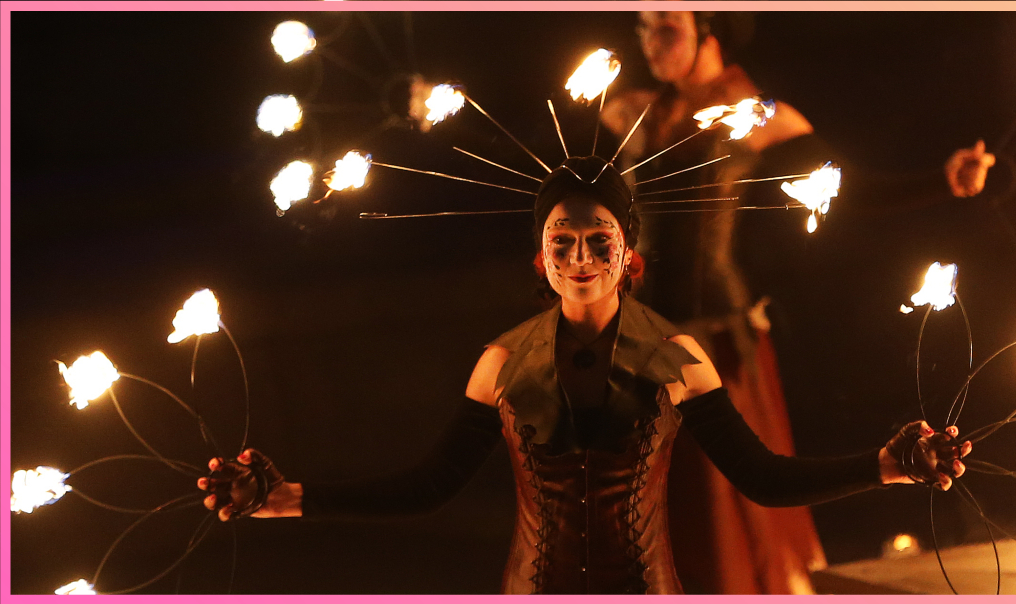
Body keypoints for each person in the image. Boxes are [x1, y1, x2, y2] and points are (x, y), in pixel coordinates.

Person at [198, 155, 972, 595]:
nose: (579, 260)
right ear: (539, 257)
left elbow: (763, 478)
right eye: (561, 242)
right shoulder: (500, 363)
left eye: (598, 241)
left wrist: (888, 466)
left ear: (629, 255)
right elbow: (429, 485)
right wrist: (290, 497)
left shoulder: (677, 357)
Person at [601, 10, 996, 594]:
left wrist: (940, 180)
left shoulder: (756, 115)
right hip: (636, 335)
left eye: (666, 28)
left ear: (709, 28)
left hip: (714, 339)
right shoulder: (632, 109)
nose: (649, 45)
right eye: (641, 29)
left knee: (724, 502)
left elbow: (842, 189)